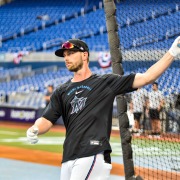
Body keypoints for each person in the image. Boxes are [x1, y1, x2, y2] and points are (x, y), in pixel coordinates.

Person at [26, 37, 180, 180]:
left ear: (85, 55)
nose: (66, 58)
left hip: (93, 153)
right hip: (68, 156)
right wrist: (35, 128)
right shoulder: (61, 90)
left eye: (71, 53)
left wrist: (171, 53)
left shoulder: (105, 82)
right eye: (64, 55)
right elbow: (47, 119)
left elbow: (147, 78)